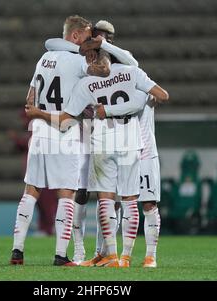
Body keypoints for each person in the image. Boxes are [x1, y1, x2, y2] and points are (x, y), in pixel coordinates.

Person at [25, 50, 169, 267]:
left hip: (102, 143)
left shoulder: (87, 83)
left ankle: (111, 254)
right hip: (132, 142)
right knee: (130, 200)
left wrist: (38, 113)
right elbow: (156, 96)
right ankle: (127, 257)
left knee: (106, 200)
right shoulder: (133, 74)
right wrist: (114, 109)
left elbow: (65, 118)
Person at [44, 19, 138, 264]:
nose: (98, 40)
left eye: (103, 37)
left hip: (109, 135)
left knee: (108, 197)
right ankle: (78, 250)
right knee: (82, 194)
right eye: (96, 35)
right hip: (83, 132)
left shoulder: (116, 61)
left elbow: (132, 63)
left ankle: (102, 250)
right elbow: (51, 42)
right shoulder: (82, 59)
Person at [8, 110, 58, 236]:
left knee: (47, 204)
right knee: (40, 204)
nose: (23, 121)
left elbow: (29, 143)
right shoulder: (33, 130)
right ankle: (44, 228)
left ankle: (50, 228)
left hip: (46, 174)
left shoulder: (41, 128)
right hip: (35, 173)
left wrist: (16, 139)